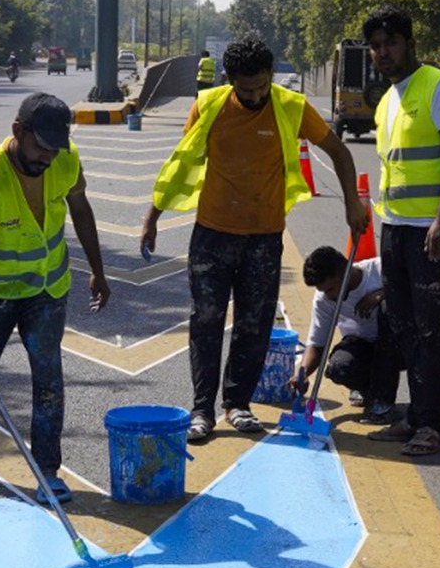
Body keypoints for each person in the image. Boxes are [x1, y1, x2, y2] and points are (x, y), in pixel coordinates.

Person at [139, 33, 366, 444]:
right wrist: (152, 216)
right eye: (247, 90)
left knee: (254, 323)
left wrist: (353, 204)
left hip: (263, 237)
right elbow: (181, 165)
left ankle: (237, 404)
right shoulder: (208, 106)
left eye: (263, 85)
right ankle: (202, 409)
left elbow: (340, 152)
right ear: (229, 80)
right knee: (206, 320)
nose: (257, 95)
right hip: (212, 235)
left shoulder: (291, 106)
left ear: (270, 75)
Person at [0, 93, 111, 501]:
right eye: (41, 147)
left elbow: (81, 210)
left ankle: (48, 470)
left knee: (48, 379)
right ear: (18, 131)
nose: (48, 158)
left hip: (46, 290)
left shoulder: (65, 160)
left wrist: (98, 270)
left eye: (55, 149)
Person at [363, 5, 440, 456]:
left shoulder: (439, 86)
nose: (383, 52)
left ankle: (431, 425)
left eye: (391, 42)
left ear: (410, 43)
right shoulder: (387, 99)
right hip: (396, 228)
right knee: (403, 325)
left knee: (433, 329)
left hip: (435, 230)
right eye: (376, 46)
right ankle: (415, 415)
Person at [288, 244, 400, 422]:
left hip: (398, 345)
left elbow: (413, 287)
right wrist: (303, 373)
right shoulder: (324, 300)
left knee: (388, 307)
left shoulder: (381, 270)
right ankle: (369, 389)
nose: (328, 296)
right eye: (323, 291)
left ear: (344, 272)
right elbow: (317, 343)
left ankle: (386, 401)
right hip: (364, 346)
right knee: (339, 367)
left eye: (331, 289)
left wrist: (382, 294)